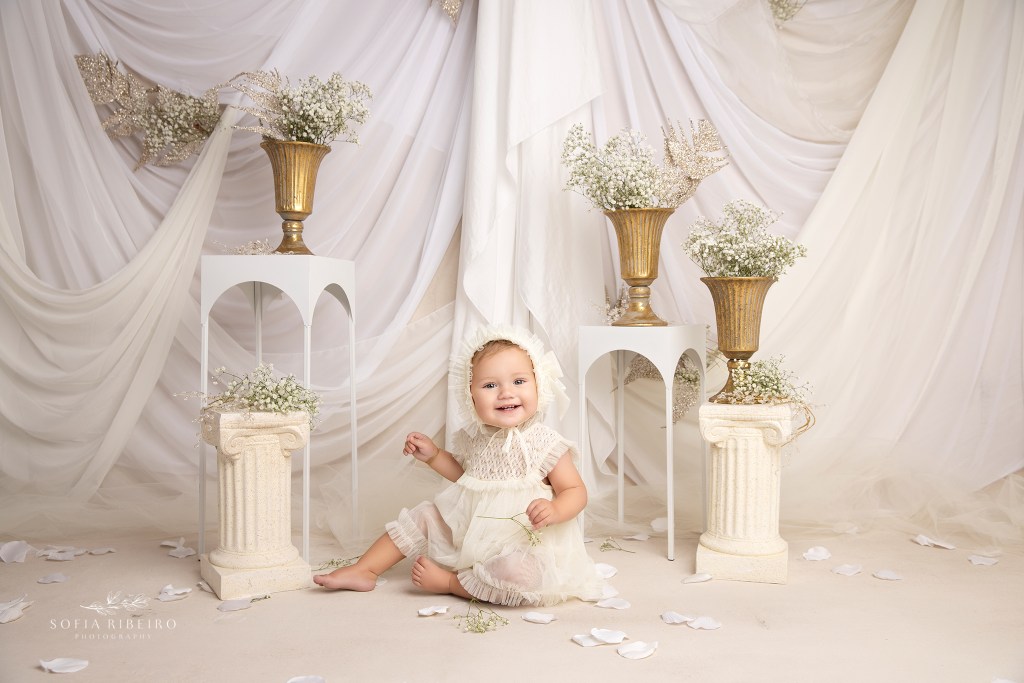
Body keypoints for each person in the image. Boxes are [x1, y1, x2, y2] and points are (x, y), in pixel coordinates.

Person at [313, 324, 607, 606]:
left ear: (538, 383)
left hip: (525, 542)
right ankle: (365, 569)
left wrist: (556, 509)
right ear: (470, 395)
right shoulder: (474, 438)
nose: (506, 393)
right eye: (490, 385)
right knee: (426, 514)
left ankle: (451, 584)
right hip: (472, 534)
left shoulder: (544, 442)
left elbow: (575, 490)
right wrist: (434, 456)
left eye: (519, 381)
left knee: (517, 574)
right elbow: (466, 477)